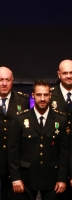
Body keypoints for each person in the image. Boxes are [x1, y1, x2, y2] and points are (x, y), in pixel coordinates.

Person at [8, 80, 69, 200]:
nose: (42, 98)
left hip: (52, 177)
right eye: (39, 95)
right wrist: (15, 178)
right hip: (26, 178)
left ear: (50, 96)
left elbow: (65, 152)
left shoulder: (60, 119)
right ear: (33, 95)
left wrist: (62, 179)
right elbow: (13, 151)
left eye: (45, 95)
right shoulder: (21, 119)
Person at [0, 66, 29, 200]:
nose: (4, 83)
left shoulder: (22, 100)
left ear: (13, 81)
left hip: (15, 161)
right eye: (0, 80)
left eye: (7, 80)